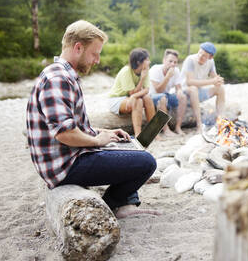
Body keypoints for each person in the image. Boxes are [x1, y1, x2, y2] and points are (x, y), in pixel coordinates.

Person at [26, 20, 158, 218]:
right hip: (65, 166)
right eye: (94, 54)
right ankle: (109, 204)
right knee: (146, 162)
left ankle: (125, 201)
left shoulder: (63, 75)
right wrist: (97, 141)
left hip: (69, 157)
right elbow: (65, 133)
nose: (97, 60)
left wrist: (103, 132)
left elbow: (73, 126)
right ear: (78, 47)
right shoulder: (58, 79)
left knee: (129, 146)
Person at [107, 48, 156, 137]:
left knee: (147, 98)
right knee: (138, 101)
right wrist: (142, 79)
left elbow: (146, 90)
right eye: (147, 60)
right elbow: (132, 93)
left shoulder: (145, 70)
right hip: (117, 100)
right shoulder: (126, 71)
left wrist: (134, 96)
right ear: (138, 62)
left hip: (131, 98)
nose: (149, 62)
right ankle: (138, 134)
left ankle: (153, 132)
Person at [181, 42, 225, 132]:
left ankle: (220, 120)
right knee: (193, 89)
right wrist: (211, 81)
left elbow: (215, 78)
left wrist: (218, 81)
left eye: (204, 55)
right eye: (200, 53)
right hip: (185, 93)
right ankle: (199, 125)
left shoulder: (211, 62)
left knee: (220, 89)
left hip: (199, 93)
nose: (200, 56)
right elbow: (189, 82)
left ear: (210, 57)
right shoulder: (190, 60)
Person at [149, 49, 187, 136]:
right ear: (164, 60)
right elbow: (158, 90)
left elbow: (178, 87)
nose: (173, 64)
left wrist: (179, 92)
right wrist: (168, 77)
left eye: (175, 62)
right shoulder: (155, 69)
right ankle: (166, 129)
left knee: (183, 97)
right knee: (162, 97)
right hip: (153, 96)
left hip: (166, 95)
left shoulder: (176, 70)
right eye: (170, 61)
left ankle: (178, 127)